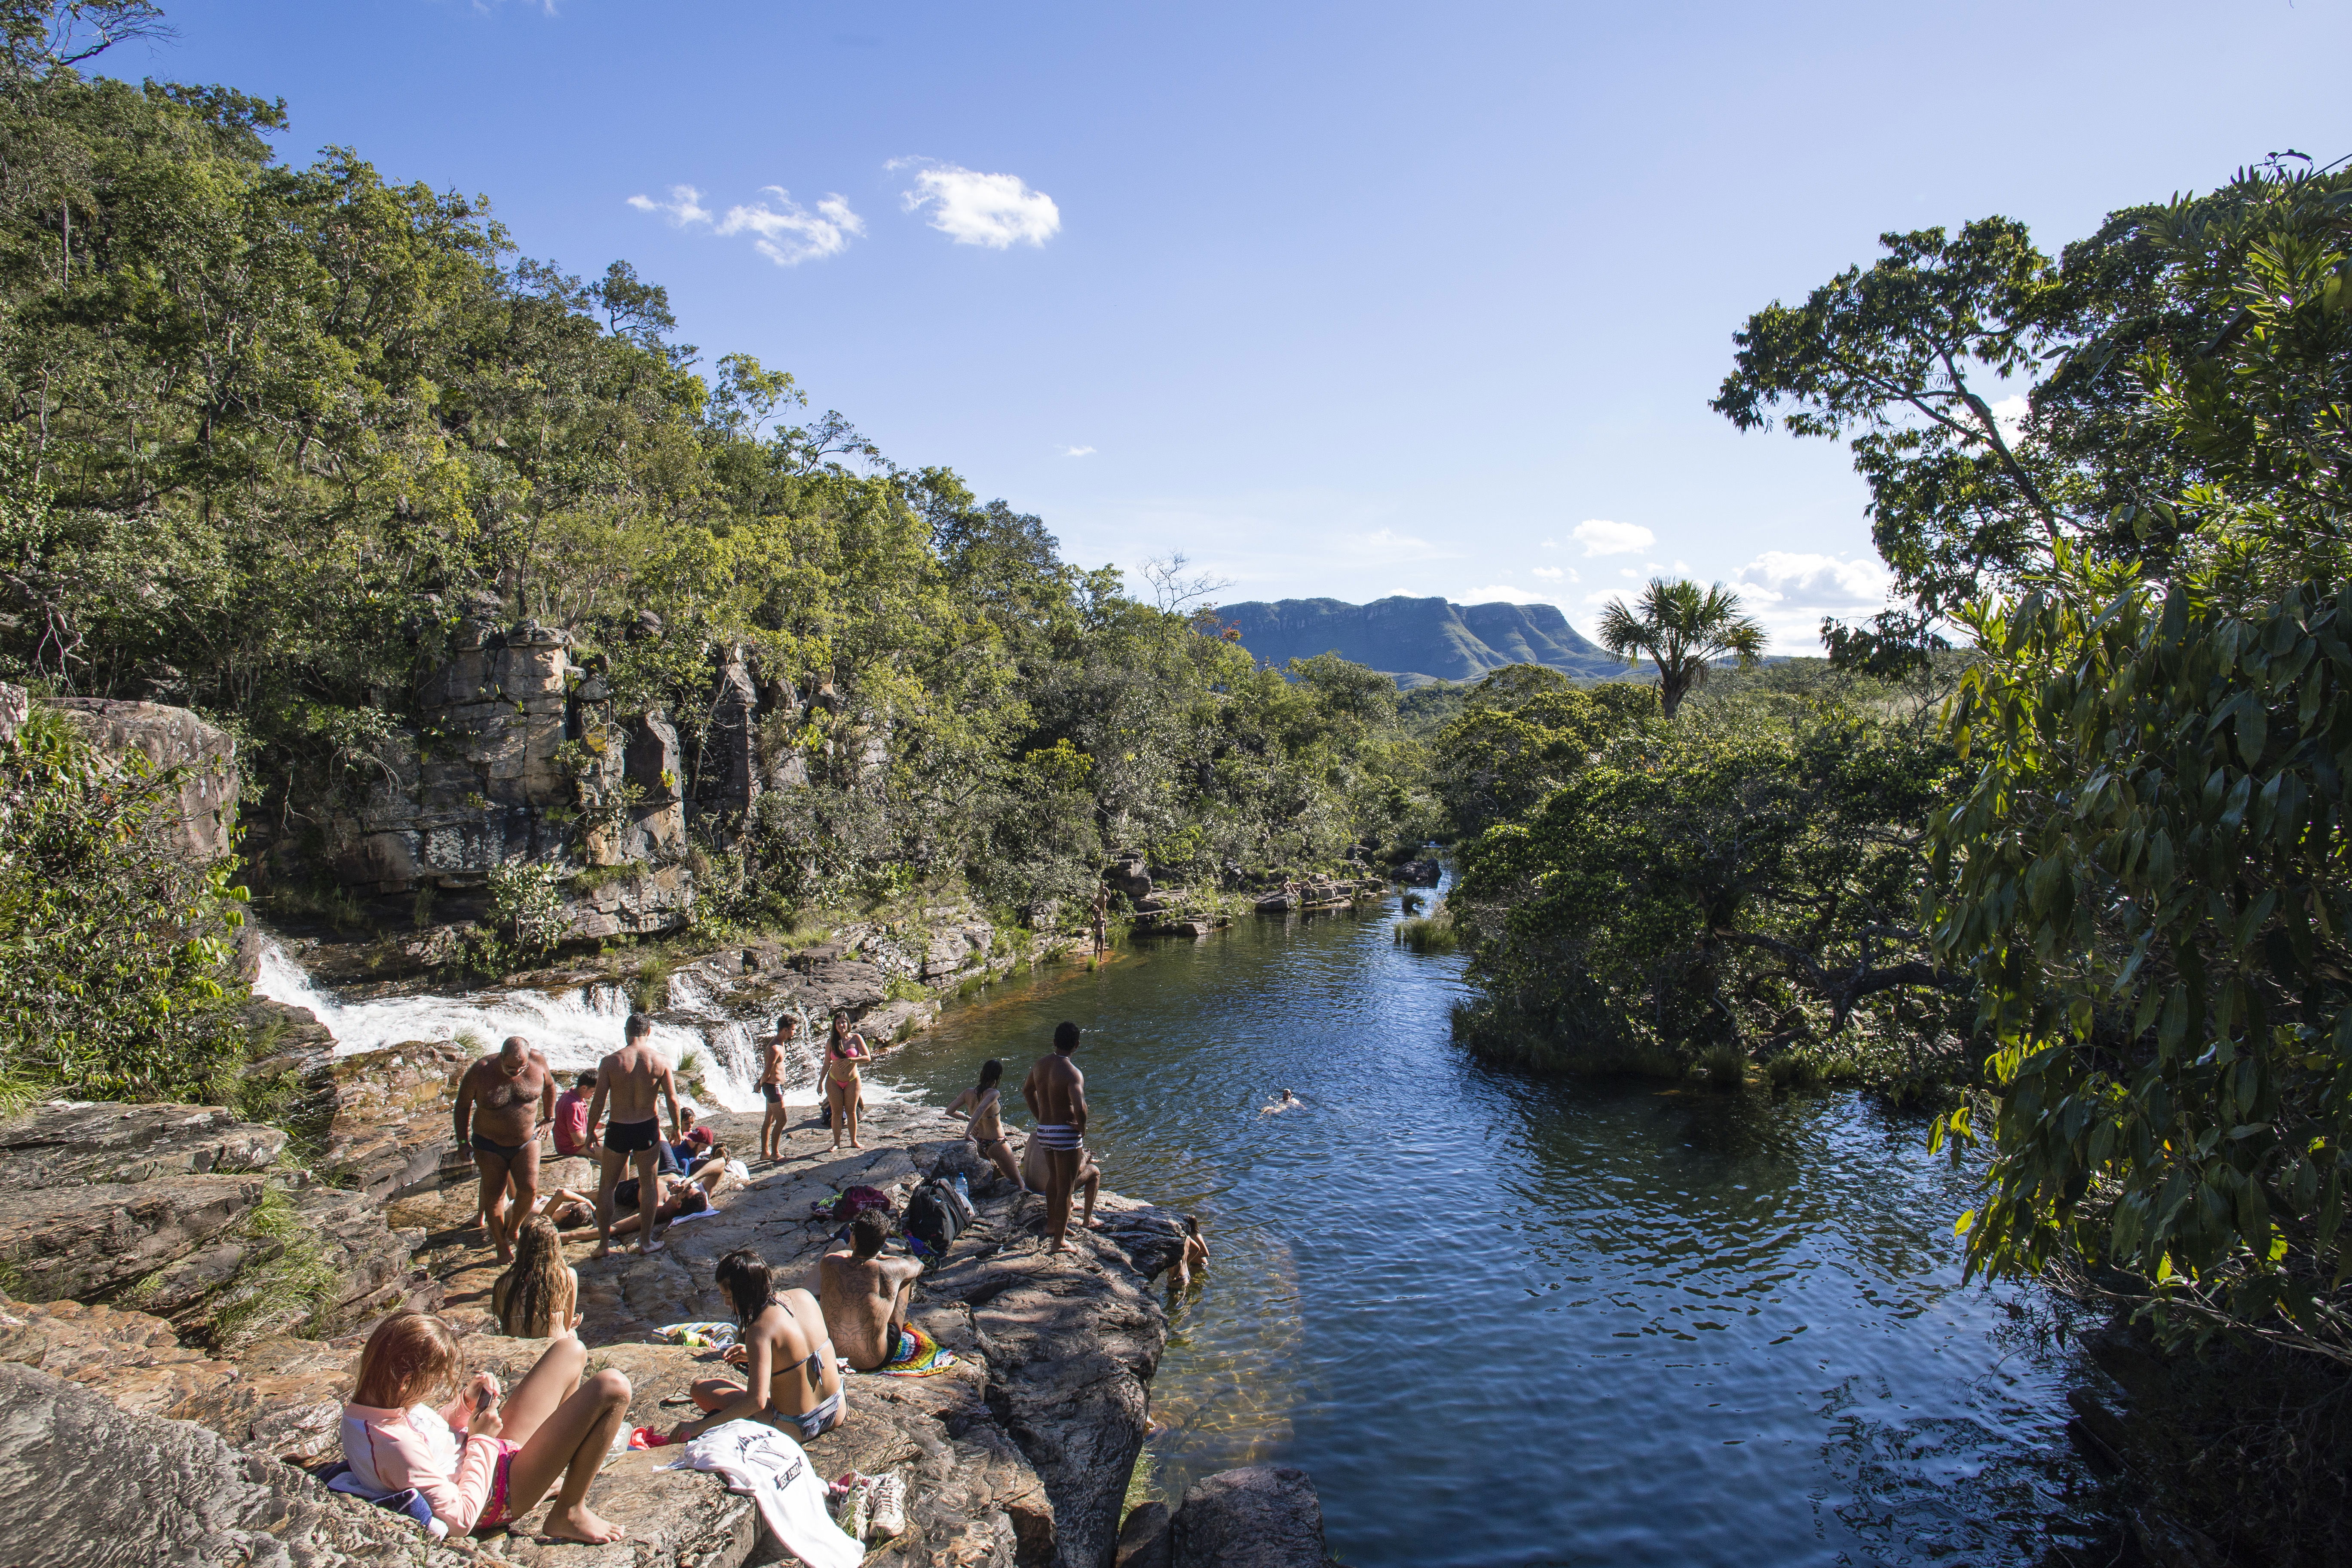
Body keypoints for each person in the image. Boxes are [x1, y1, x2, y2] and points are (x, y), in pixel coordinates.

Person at [339, 1308, 630, 1544]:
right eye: (433, 1381)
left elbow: (433, 1436)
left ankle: (550, 1474)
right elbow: (462, 1519)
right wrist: (482, 1441)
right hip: (494, 1496)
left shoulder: (377, 1405)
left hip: (489, 1461)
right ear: (405, 1383)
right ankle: (569, 1511)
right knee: (613, 1387)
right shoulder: (393, 1444)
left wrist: (465, 1404)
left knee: (571, 1350)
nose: (436, 1386)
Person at [674, 1247, 845, 1443]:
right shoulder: (804, 1295)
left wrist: (697, 1427)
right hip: (838, 1408)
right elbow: (803, 1349)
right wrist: (756, 1355)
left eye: (728, 1298)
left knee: (701, 1389)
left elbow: (756, 1402)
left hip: (796, 1427)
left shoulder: (759, 1330)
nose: (726, 1304)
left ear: (743, 1294)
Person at [453, 1035, 555, 1265]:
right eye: (510, 1067)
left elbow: (549, 1086)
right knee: (495, 1195)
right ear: (500, 1057)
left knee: (529, 1189)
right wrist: (462, 1142)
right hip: (489, 1144)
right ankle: (501, 1245)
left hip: (527, 1140)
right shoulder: (480, 1071)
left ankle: (514, 1230)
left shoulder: (538, 1062)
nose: (516, 1072)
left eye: (521, 1067)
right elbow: (462, 1105)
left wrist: (550, 1118)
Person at [587, 1013, 682, 1258]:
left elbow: (598, 1102)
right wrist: (678, 1128)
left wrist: (589, 1133)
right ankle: (645, 1243)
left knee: (607, 1187)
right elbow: (672, 1099)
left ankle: (603, 1246)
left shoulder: (610, 1062)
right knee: (649, 1185)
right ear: (648, 1032)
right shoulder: (659, 1061)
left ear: (626, 1032)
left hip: (618, 1127)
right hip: (647, 1128)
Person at [813, 1210, 924, 1372]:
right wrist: (884, 1258)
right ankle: (894, 1324)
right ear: (881, 1243)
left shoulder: (829, 1263)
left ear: (853, 1238)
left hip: (833, 1354)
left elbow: (844, 1254)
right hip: (874, 1360)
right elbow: (918, 1264)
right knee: (904, 1279)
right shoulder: (892, 1269)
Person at [1020, 1021, 1090, 1253]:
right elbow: (1079, 1107)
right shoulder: (1073, 1073)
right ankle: (1059, 1241)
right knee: (1066, 1187)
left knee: (1053, 1180)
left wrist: (1040, 1116)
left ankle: (1053, 1225)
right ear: (1077, 1045)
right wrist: (1082, 1128)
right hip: (1065, 1134)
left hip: (1044, 1131)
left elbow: (1027, 1091)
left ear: (1054, 1042)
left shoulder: (1040, 1065)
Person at [493, 1215, 582, 1338]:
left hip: (517, 1348)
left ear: (523, 1245)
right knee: (573, 1334)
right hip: (549, 1349)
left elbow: (504, 1323)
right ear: (555, 1247)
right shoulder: (567, 1275)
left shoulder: (503, 1282)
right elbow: (566, 1327)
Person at [944, 1060, 1026, 1194]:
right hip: (997, 1143)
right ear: (997, 1076)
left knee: (988, 1182)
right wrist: (967, 1133)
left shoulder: (968, 1093)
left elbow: (949, 1111)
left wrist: (968, 1119)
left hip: (980, 1143)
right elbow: (981, 1109)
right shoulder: (994, 1093)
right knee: (1019, 1183)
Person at [824, 1011, 869, 1153]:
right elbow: (826, 1064)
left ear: (848, 1023)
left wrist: (851, 1060)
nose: (841, 1025)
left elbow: (867, 1057)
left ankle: (853, 1140)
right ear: (835, 1026)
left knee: (851, 1111)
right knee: (836, 1113)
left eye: (843, 1022)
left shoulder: (856, 1038)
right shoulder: (832, 1042)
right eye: (838, 1023)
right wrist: (820, 1083)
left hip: (852, 1081)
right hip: (834, 1080)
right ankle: (836, 1143)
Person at [759, 1013, 798, 1162]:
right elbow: (767, 1072)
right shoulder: (774, 1048)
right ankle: (775, 1153)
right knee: (782, 1121)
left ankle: (765, 1153)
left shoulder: (781, 1044)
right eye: (793, 1030)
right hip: (773, 1087)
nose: (794, 1032)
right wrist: (760, 1084)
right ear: (785, 1030)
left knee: (769, 1120)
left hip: (775, 1087)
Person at [551, 1070, 600, 1160]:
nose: (594, 1094)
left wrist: (601, 1126)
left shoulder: (569, 1094)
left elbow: (577, 1122)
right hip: (571, 1148)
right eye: (593, 1091)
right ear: (584, 1087)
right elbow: (579, 1141)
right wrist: (607, 1130)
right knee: (619, 1155)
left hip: (568, 1144)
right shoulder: (574, 1106)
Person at [1171, 1216, 1210, 1294]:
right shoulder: (1187, 1236)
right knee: (1190, 1282)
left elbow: (1207, 1254)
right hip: (1193, 1264)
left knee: (1196, 1285)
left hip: (1201, 1265)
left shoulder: (1196, 1236)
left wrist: (1191, 1257)